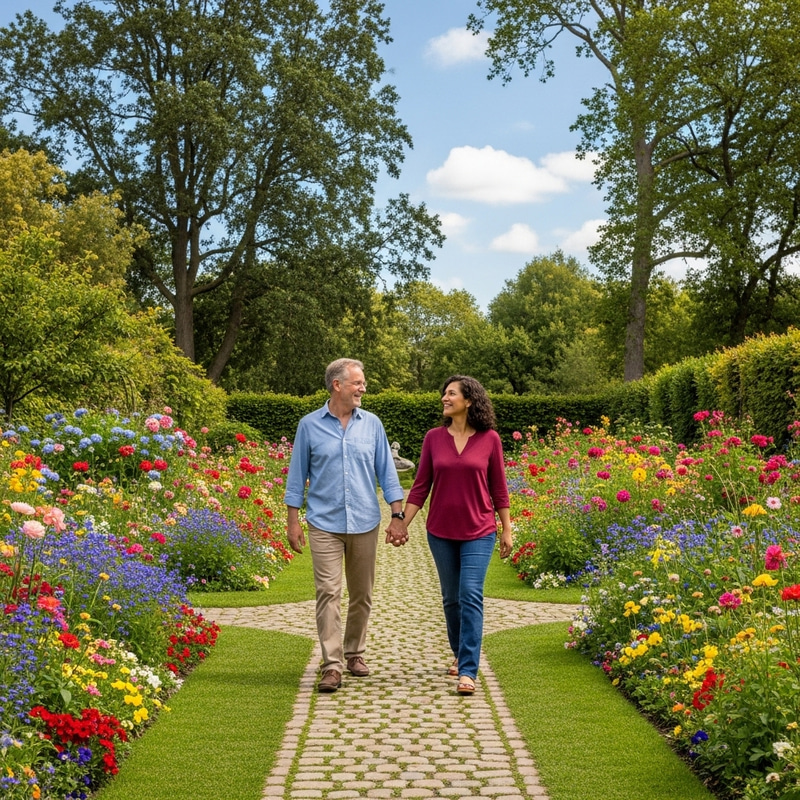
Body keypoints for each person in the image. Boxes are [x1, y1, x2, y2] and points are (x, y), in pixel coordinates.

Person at [284, 358, 407, 693]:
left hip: (365, 521)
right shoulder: (309, 425)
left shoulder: (372, 425)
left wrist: (397, 516)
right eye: (357, 383)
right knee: (328, 592)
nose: (363, 388)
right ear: (337, 385)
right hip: (324, 523)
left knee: (362, 594)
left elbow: (388, 473)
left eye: (363, 383)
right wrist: (293, 522)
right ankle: (332, 665)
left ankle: (354, 653)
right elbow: (297, 478)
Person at [387, 375, 512, 695]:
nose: (445, 397)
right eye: (444, 393)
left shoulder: (490, 439)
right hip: (441, 532)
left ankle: (468, 671)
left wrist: (506, 529)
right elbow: (420, 487)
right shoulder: (433, 438)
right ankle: (460, 653)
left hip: (479, 530)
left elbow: (499, 489)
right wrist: (401, 523)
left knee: (470, 594)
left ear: (469, 401)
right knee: (452, 599)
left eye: (452, 393)